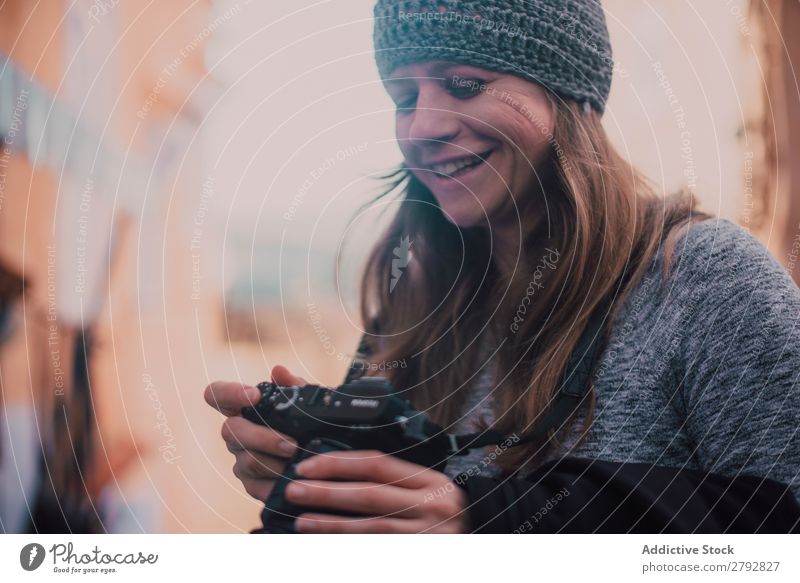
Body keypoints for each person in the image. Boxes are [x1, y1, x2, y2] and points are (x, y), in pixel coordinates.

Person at [204, 0, 800, 533]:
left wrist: (487, 521)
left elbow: (780, 525)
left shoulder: (705, 281)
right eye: (403, 97)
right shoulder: (415, 300)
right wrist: (312, 486)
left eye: (465, 83)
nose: (421, 126)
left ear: (566, 94)